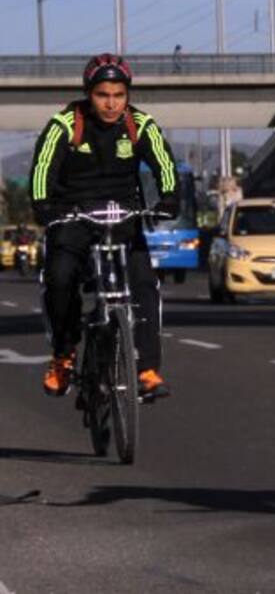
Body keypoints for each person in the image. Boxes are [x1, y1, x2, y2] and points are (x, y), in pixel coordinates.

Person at [29, 53, 180, 399]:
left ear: (127, 95)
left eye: (118, 95)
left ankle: (147, 370)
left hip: (123, 215)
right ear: (88, 94)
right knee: (60, 277)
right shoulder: (65, 124)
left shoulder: (140, 124)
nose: (111, 103)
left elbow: (164, 165)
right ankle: (63, 357)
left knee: (145, 284)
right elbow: (42, 170)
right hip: (73, 216)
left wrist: (169, 199)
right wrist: (43, 207)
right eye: (102, 95)